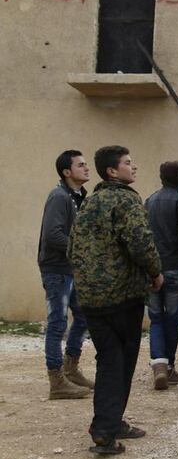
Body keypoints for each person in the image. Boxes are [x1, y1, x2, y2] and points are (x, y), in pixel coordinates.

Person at [68, 145, 163, 456]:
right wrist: (155, 272)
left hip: (91, 297)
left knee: (109, 358)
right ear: (112, 171)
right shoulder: (126, 199)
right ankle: (105, 430)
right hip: (122, 296)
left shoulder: (90, 202)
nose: (133, 168)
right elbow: (140, 242)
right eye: (127, 163)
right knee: (118, 361)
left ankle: (112, 422)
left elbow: (72, 248)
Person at [37, 149, 94, 399]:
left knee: (82, 316)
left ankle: (71, 369)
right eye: (81, 165)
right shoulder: (59, 197)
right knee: (58, 324)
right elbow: (53, 235)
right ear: (67, 172)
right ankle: (56, 381)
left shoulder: (79, 196)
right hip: (57, 270)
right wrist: (81, 249)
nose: (87, 168)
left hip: (71, 268)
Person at [145, 161, 178, 390]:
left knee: (156, 318)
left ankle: (158, 365)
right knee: (172, 319)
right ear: (175, 175)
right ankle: (170, 367)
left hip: (152, 269)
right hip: (174, 267)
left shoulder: (150, 200)